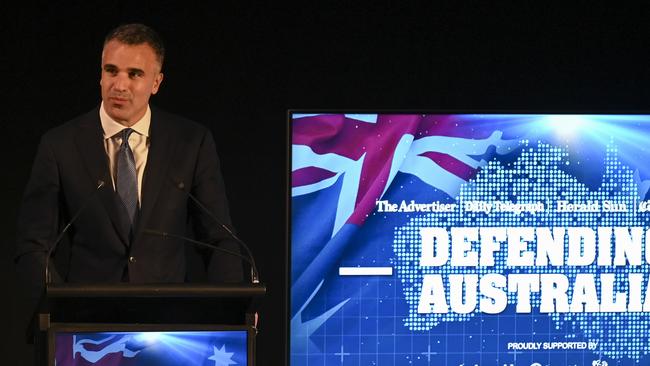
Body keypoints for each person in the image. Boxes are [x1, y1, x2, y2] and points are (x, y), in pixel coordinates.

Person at [15, 23, 244, 302]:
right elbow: (34, 245)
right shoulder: (60, 145)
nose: (119, 85)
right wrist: (58, 307)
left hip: (168, 322)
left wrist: (234, 307)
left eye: (134, 74)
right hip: (86, 325)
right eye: (111, 71)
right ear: (100, 75)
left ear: (156, 82)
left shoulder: (190, 143)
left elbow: (219, 240)